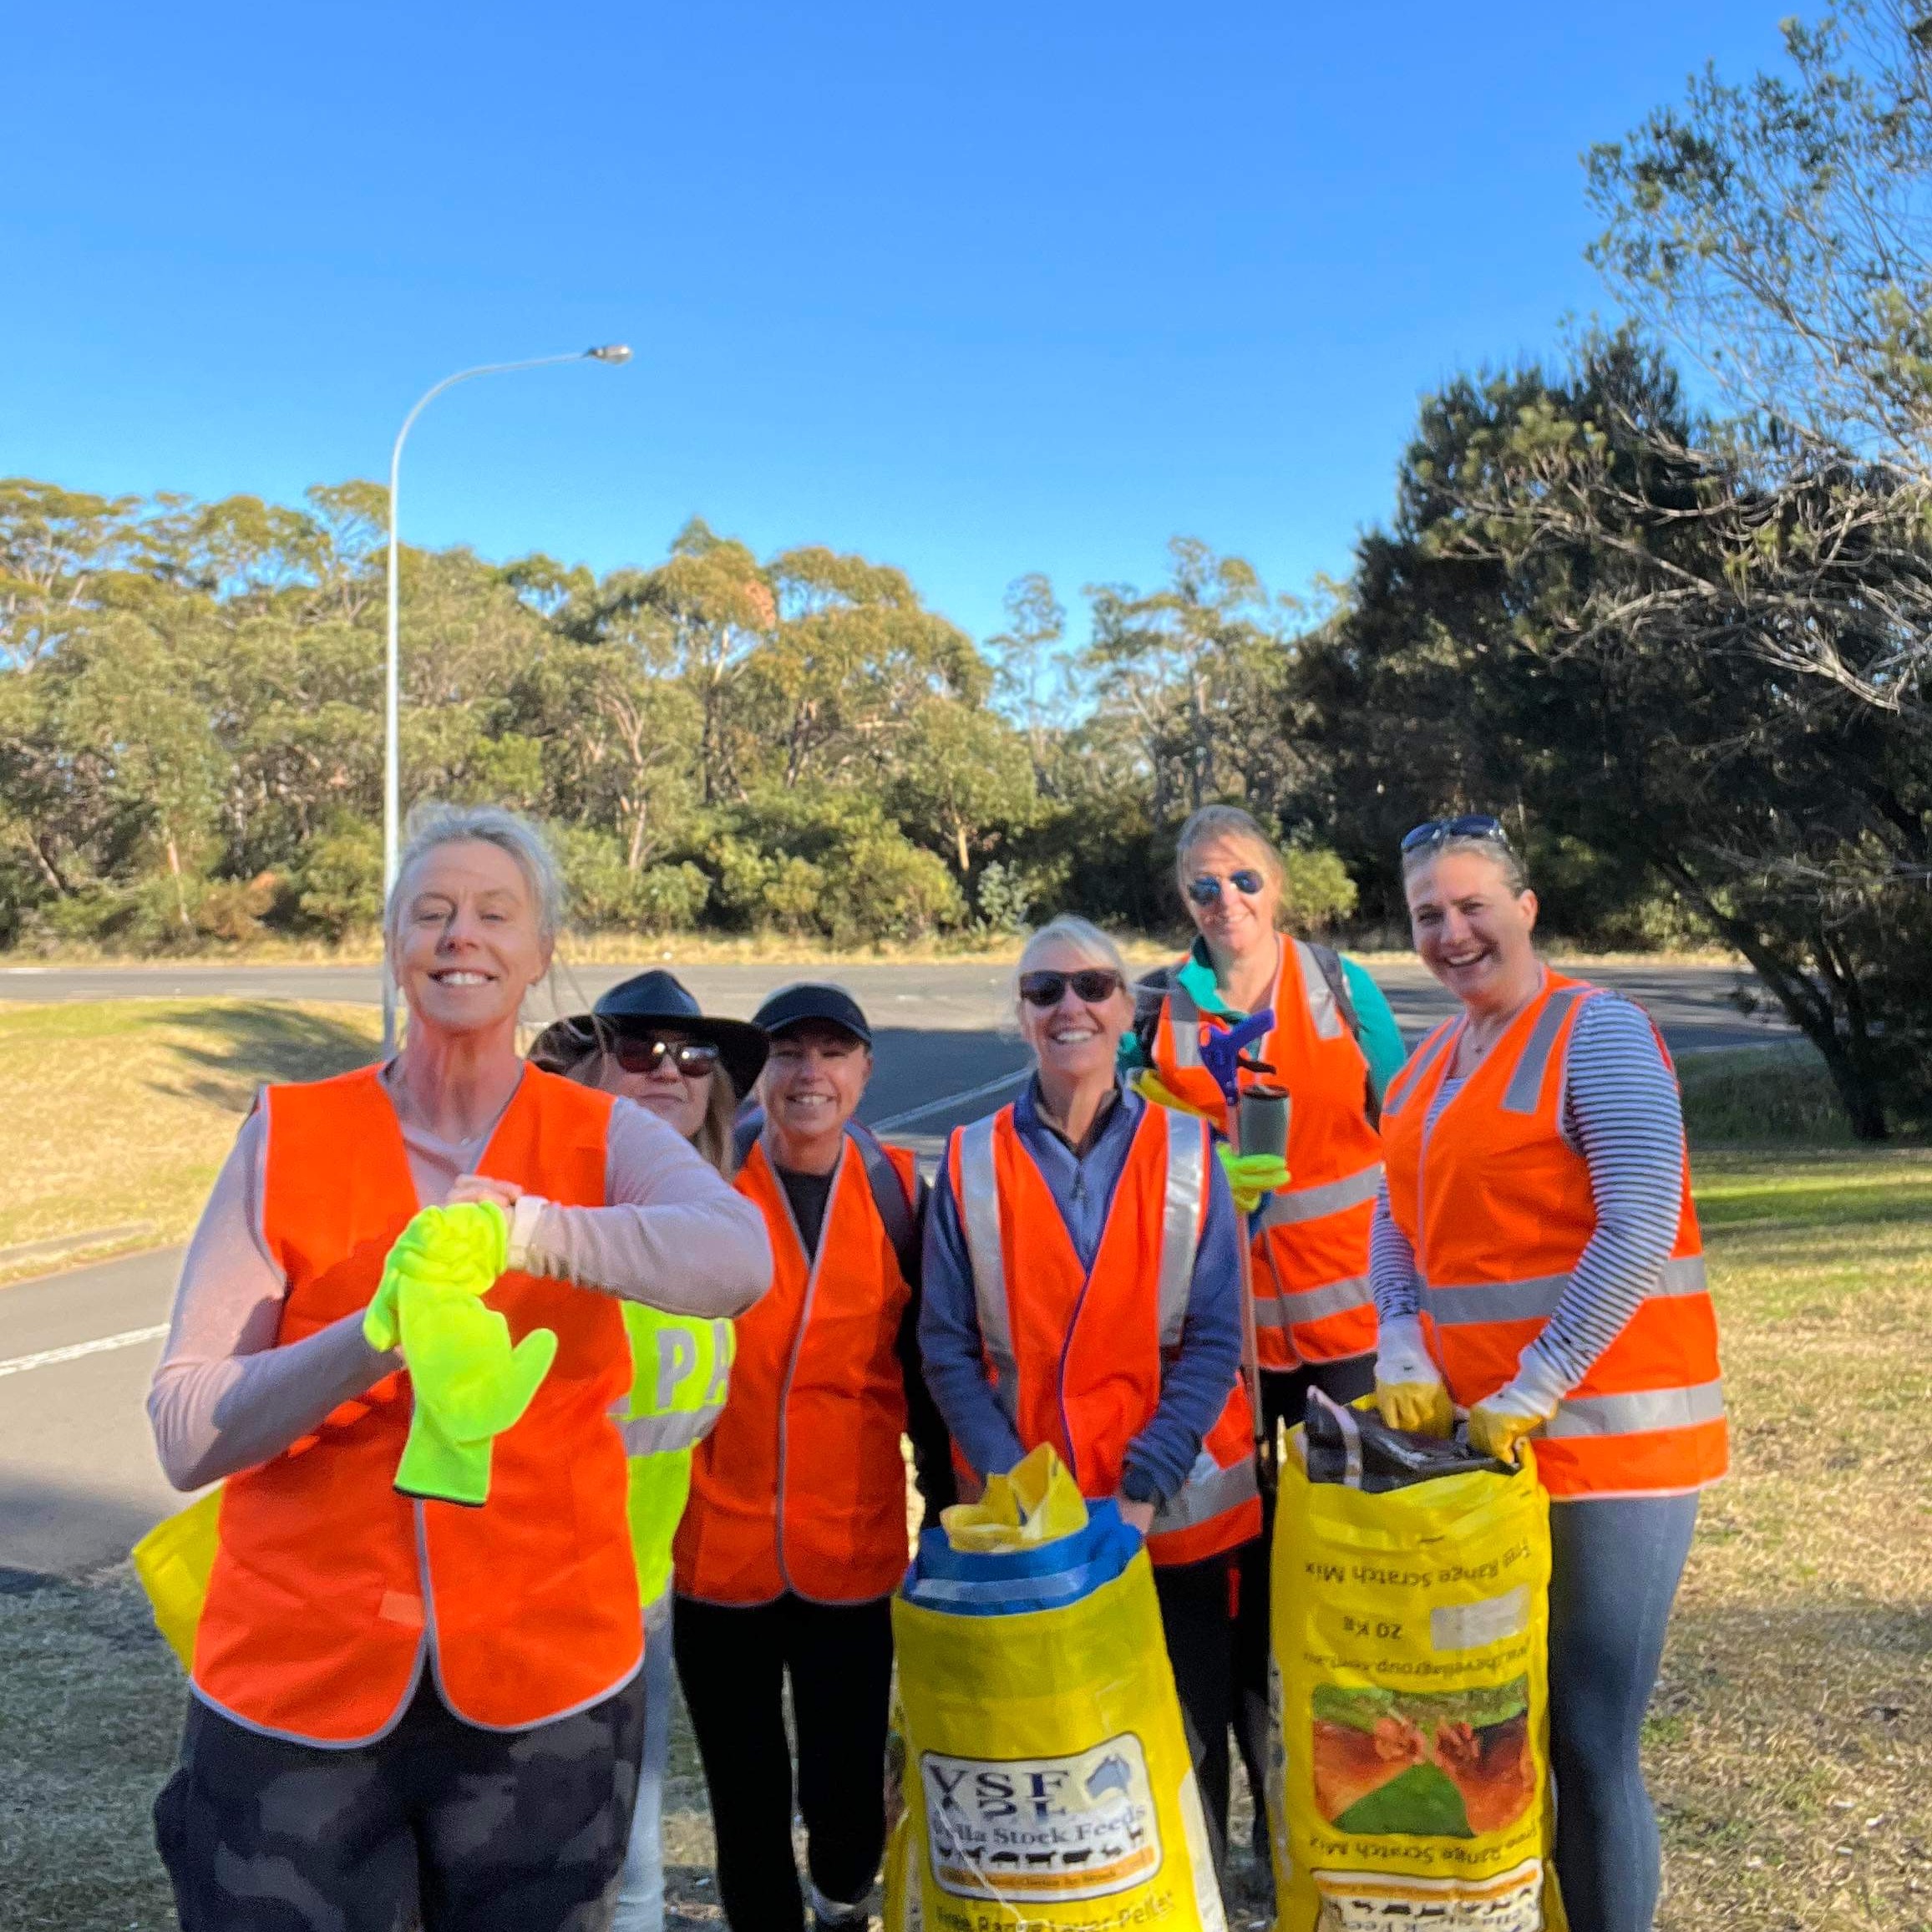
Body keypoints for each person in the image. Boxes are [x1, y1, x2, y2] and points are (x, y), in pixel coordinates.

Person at [146, 804, 771, 1932]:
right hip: (296, 1695)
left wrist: (533, 1232)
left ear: (540, 956)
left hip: (546, 1693)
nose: (458, 935)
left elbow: (734, 1258)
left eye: (494, 913)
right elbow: (190, 1429)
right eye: (430, 912)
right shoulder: (290, 1133)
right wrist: (375, 1328)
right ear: (393, 944)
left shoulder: (598, 1136)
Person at [1371, 815, 1727, 1932]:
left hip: (1611, 1441)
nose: (1452, 932)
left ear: (1526, 907)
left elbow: (1636, 1222)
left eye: (1473, 905)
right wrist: (1398, 1335)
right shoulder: (1432, 1057)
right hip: (1482, 1450)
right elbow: (1395, 1214)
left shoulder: (1596, 1032)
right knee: (1501, 1726)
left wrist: (1539, 1377)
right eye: (1429, 913)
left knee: (1586, 1731)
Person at [920, 915, 1260, 1881]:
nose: (1070, 1005)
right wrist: (1026, 1492)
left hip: (1176, 1513)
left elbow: (1213, 1340)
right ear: (1022, 1020)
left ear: (1128, 1012)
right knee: (1058, 1758)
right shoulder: (971, 1158)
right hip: (1029, 1528)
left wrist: (1143, 1487)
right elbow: (946, 1346)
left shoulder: (1192, 1151)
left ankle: (1192, 1899)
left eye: (1093, 986)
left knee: (1186, 1745)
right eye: (1043, 992)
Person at [1138, 803, 1406, 1866]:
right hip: (1225, 1339)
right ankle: (1246, 1820)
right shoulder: (1164, 1008)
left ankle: (1335, 1808)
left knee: (1339, 1574)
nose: (1226, 904)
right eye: (1205, 888)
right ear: (1183, 901)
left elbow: (1415, 1122)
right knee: (1236, 1576)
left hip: (1352, 1336)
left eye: (1244, 881)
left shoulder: (1342, 988)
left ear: (1279, 887)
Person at [672, 982, 954, 1932]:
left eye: (832, 1053)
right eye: (789, 1053)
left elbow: (921, 1364)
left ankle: (843, 1900)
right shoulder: (705, 1182)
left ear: (864, 1073)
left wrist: (947, 1502)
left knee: (839, 1802)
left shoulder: (897, 1191)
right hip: (718, 1551)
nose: (809, 1074)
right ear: (761, 1073)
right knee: (747, 1798)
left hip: (850, 1547)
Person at [528, 969, 770, 1932]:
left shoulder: (710, 1221)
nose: (669, 1070)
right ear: (586, 1070)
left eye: (695, 1056)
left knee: (632, 1879)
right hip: (531, 1604)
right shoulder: (544, 1216)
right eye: (640, 1051)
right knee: (540, 1881)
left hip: (640, 1598)